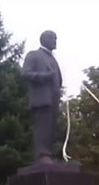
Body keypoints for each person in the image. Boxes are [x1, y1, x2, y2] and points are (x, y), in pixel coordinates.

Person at [21, 30, 62, 164]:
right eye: (53, 38)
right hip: (41, 100)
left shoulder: (52, 58)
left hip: (53, 100)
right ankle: (42, 155)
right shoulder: (34, 55)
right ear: (44, 40)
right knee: (42, 128)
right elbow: (25, 74)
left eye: (56, 38)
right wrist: (44, 77)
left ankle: (48, 154)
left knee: (51, 129)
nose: (55, 41)